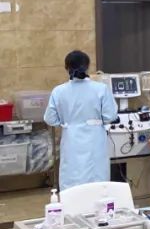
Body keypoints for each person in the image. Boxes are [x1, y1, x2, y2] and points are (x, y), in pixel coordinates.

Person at [44, 50, 119, 190]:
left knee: (72, 178)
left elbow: (50, 119)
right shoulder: (101, 89)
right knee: (97, 179)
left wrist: (67, 123)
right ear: (87, 67)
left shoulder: (58, 91)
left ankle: (72, 203)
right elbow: (110, 116)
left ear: (66, 67)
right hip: (95, 139)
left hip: (71, 140)